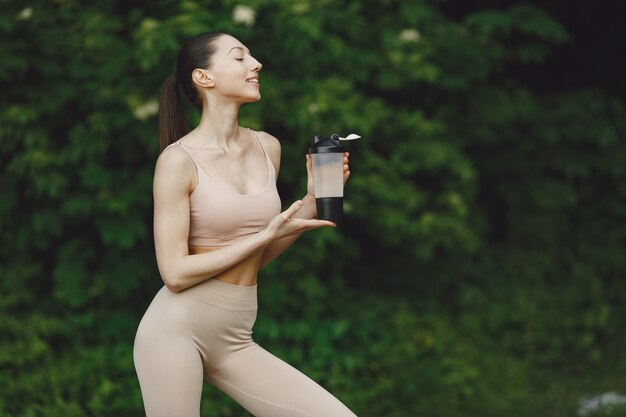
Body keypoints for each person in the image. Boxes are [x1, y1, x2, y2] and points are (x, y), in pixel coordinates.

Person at [133, 32, 357, 417]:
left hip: (235, 337)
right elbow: (174, 273)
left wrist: (310, 202)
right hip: (174, 332)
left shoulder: (267, 147)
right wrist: (266, 234)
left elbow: (258, 254)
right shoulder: (177, 161)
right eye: (239, 58)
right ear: (205, 78)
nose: (256, 64)